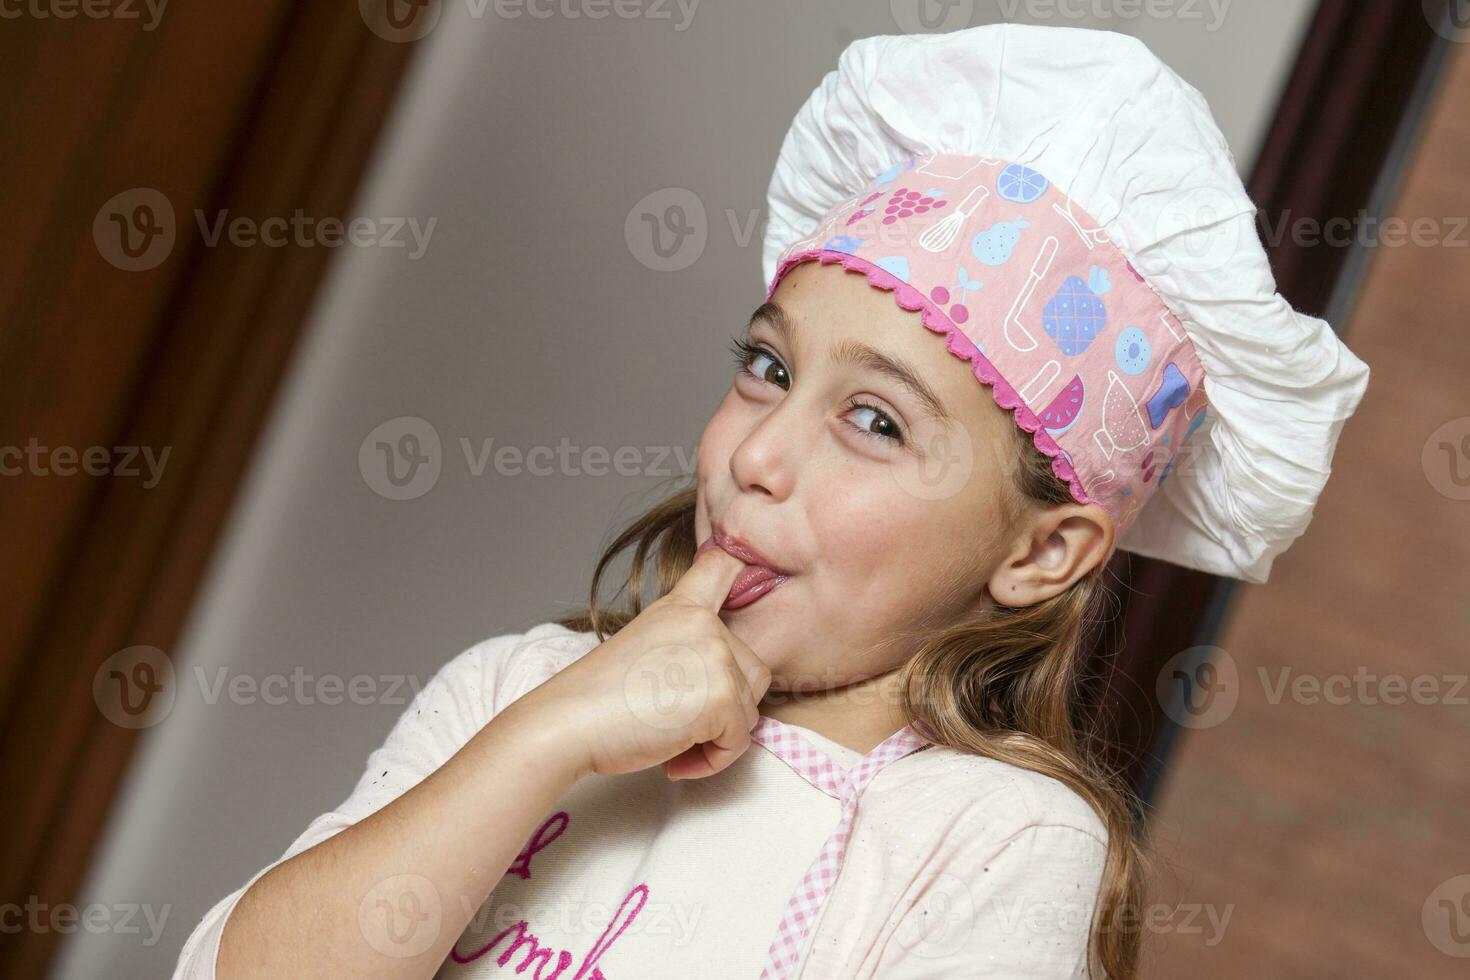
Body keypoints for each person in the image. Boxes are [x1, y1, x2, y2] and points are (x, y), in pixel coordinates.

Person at [173, 21, 1371, 980]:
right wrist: (552, 735)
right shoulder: (514, 688)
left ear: (1045, 550)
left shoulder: (991, 841)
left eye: (876, 420)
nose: (759, 454)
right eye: (770, 367)